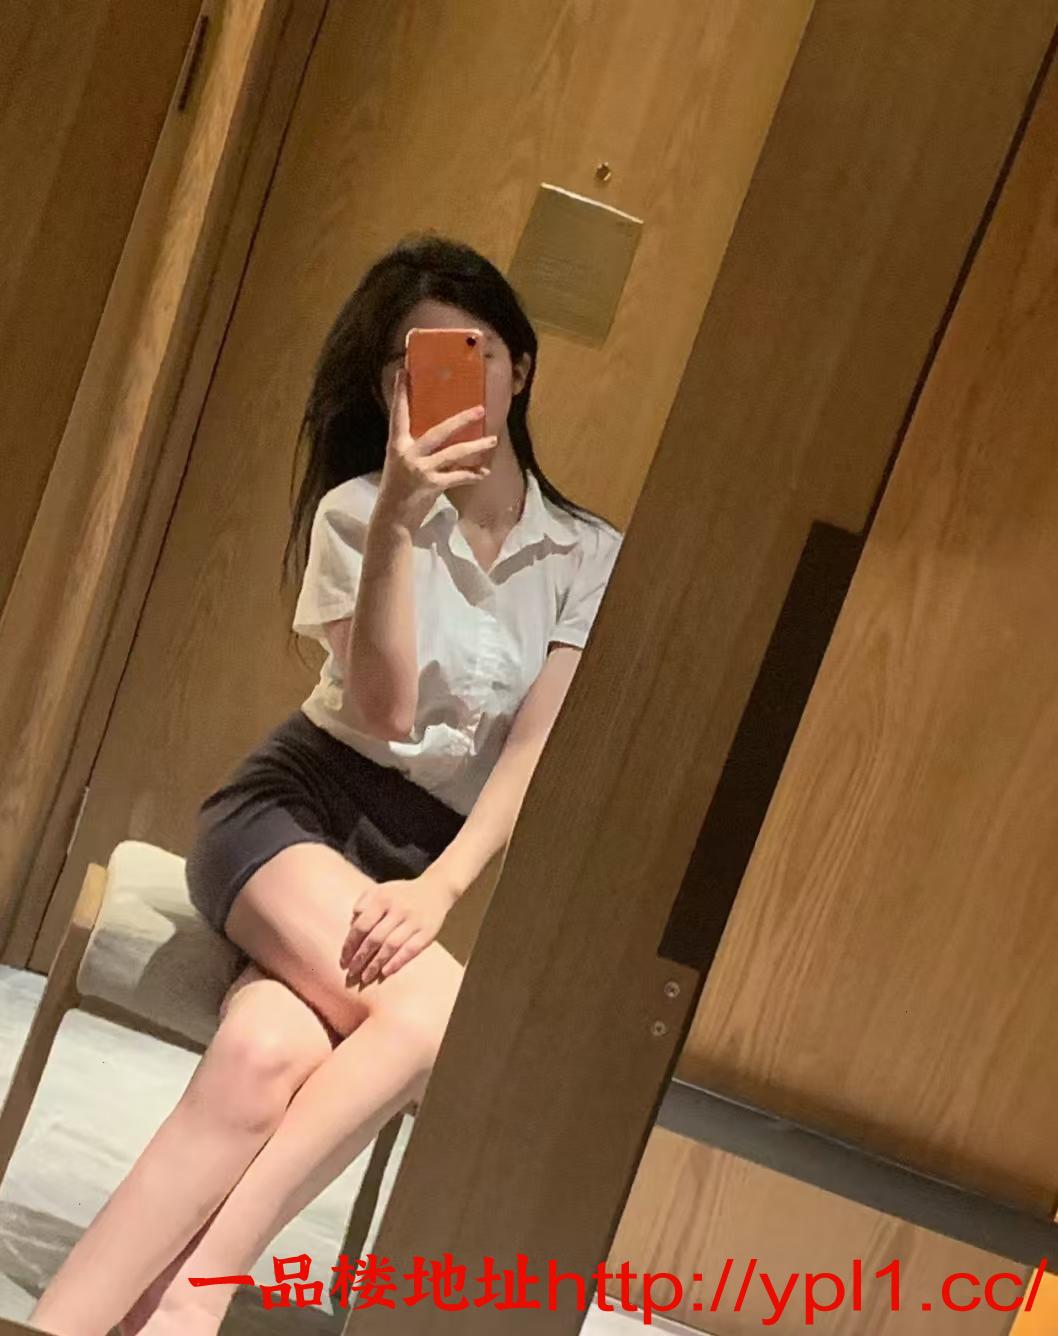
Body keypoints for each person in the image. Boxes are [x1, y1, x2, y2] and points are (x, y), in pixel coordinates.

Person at [30, 235, 622, 1336]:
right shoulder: (355, 513)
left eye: (475, 353)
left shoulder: (588, 555)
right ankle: (194, 1301)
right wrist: (398, 513)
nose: (451, 381)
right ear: (389, 386)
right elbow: (386, 712)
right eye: (416, 363)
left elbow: (532, 755)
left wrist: (439, 889)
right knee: (440, 1012)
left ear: (522, 368)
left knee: (264, 1056)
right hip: (289, 816)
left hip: (416, 858)